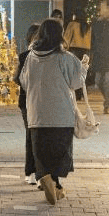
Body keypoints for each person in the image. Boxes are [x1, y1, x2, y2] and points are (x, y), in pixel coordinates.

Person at [19, 18, 84, 204]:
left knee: (42, 152)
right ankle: (54, 182)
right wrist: (85, 69)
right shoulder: (66, 58)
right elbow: (76, 82)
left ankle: (50, 181)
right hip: (61, 115)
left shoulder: (31, 57)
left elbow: (24, 82)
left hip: (36, 114)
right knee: (60, 152)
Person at [14, 22, 40, 184]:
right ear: (30, 37)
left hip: (41, 102)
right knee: (31, 136)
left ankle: (39, 172)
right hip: (27, 101)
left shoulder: (49, 55)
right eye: (36, 35)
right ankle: (31, 171)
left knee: (39, 136)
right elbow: (17, 78)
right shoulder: (23, 56)